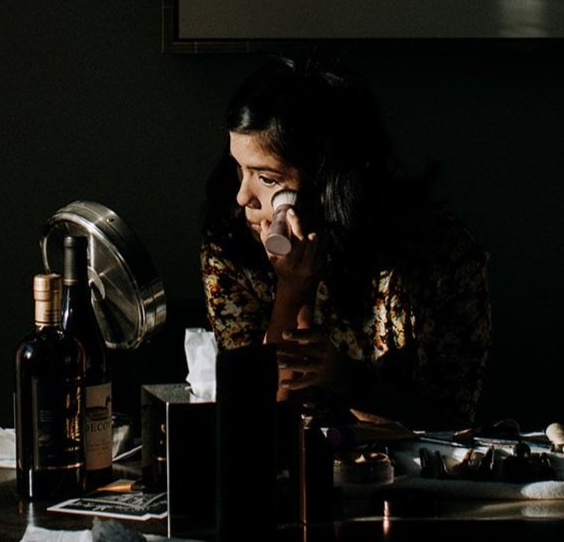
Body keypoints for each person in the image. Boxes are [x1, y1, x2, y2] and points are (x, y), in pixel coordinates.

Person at [200, 56, 491, 430]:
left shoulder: (439, 257)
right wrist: (292, 292)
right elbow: (252, 418)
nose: (243, 196)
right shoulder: (231, 246)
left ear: (326, 182)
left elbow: (451, 418)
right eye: (239, 170)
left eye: (267, 179)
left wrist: (350, 381)